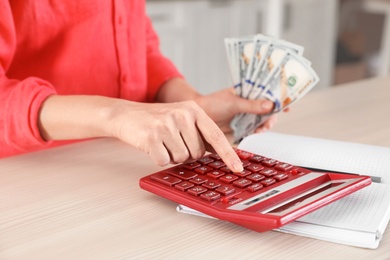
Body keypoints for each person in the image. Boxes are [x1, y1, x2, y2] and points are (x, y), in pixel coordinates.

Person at [0, 0, 276, 172]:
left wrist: (190, 101)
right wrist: (115, 116)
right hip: (32, 175)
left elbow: (137, 44)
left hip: (119, 167)